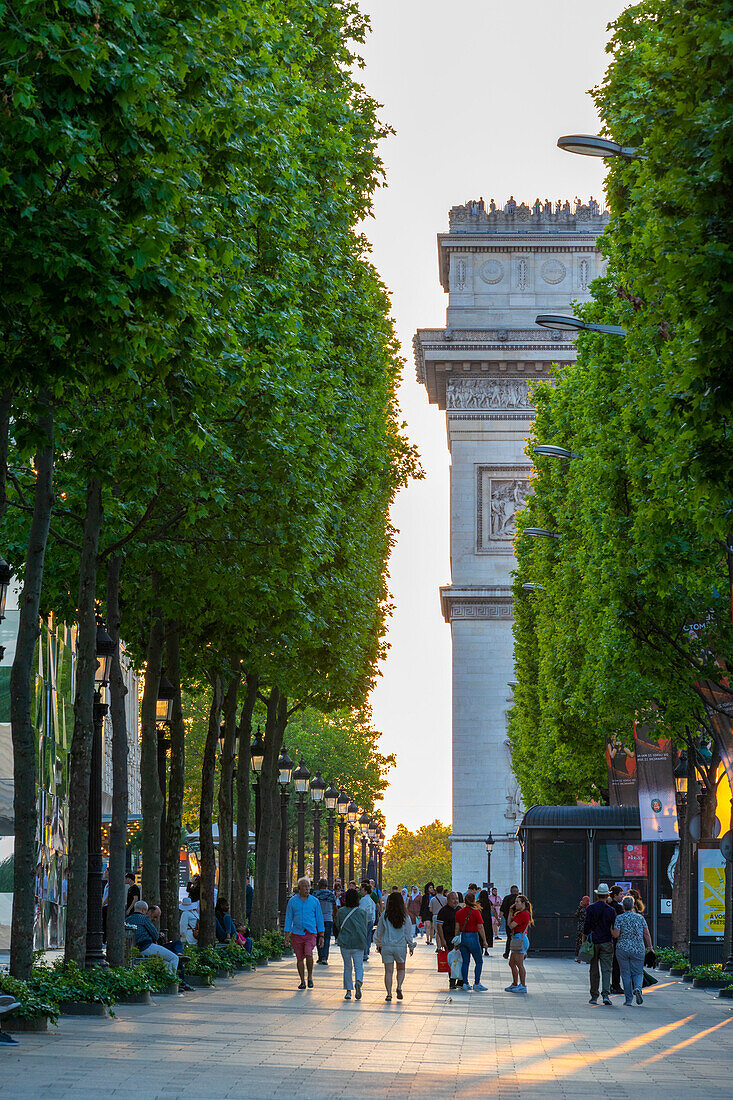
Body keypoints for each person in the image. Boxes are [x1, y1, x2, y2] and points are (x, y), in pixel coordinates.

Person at [283, 877, 324, 990]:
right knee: (299, 958)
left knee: (308, 954)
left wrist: (321, 935)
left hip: (310, 933)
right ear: (299, 888)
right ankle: (302, 981)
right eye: (304, 886)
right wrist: (286, 935)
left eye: (308, 886)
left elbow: (319, 919)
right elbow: (288, 919)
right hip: (297, 933)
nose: (307, 889)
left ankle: (310, 977)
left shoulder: (314, 901)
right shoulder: (292, 901)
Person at [612, 895, 652, 1005]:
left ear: (623, 906)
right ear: (633, 906)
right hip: (638, 948)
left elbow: (616, 934)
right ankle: (638, 988)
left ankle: (628, 1000)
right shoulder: (640, 918)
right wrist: (650, 948)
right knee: (638, 972)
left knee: (625, 974)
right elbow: (646, 933)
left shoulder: (619, 918)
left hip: (622, 949)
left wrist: (610, 930)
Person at [376, 890, 415, 1001]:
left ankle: (389, 994)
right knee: (401, 969)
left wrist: (378, 943)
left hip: (387, 946)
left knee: (388, 971)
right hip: (400, 946)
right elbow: (408, 934)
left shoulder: (385, 915)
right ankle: (399, 987)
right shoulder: (405, 916)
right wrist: (411, 946)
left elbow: (379, 931)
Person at [127, 901, 182, 978]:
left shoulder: (128, 919)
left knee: (166, 962)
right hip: (146, 946)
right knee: (174, 958)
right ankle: (171, 982)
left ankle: (166, 980)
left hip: (133, 949)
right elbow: (155, 935)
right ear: (143, 910)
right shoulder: (144, 918)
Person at [334, 887, 371, 1000]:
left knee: (347, 966)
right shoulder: (362, 912)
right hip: (358, 942)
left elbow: (338, 925)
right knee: (358, 966)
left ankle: (348, 991)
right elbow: (364, 927)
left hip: (345, 942)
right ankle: (359, 982)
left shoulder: (341, 911)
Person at [583, 883, 616, 1006]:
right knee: (606, 969)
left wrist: (585, 937)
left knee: (594, 970)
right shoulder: (611, 910)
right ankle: (606, 994)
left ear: (597, 895)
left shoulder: (590, 908)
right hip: (607, 942)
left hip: (594, 942)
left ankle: (594, 996)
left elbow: (586, 927)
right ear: (607, 895)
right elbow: (614, 927)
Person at [455, 891, 488, 991]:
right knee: (478, 961)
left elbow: (456, 928)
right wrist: (485, 941)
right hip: (473, 937)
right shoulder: (476, 912)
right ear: (474, 900)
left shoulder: (459, 912)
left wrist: (456, 940)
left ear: (464, 901)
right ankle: (477, 983)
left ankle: (465, 983)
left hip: (463, 937)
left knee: (465, 962)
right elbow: (481, 927)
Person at [505, 894, 533, 993]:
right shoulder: (518, 913)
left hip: (520, 939)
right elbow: (509, 924)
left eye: (517, 902)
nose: (515, 904)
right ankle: (515, 983)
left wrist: (511, 916)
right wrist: (510, 912)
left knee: (519, 964)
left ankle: (523, 985)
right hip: (517, 938)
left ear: (523, 903)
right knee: (512, 963)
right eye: (515, 902)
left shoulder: (523, 914)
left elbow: (512, 925)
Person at [435, 891, 462, 989]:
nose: (456, 901)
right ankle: (452, 981)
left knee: (460, 959)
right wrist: (442, 940)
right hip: (449, 939)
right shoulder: (443, 911)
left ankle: (461, 980)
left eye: (457, 899)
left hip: (459, 939)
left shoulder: (460, 909)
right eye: (453, 899)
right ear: (448, 900)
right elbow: (439, 926)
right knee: (452, 960)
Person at [313, 879, 337, 965]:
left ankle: (320, 956)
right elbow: (335, 907)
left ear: (319, 885)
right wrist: (334, 916)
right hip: (328, 919)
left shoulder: (315, 894)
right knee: (327, 938)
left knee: (318, 938)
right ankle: (325, 957)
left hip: (317, 920)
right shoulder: (331, 894)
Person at [608, 886, 625, 994]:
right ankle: (615, 984)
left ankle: (610, 985)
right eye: (621, 894)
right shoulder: (618, 908)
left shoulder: (607, 906)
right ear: (615, 895)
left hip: (606, 938)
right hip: (616, 937)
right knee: (616, 963)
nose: (622, 896)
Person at [359, 880, 377, 961]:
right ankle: (366, 952)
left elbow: (361, 911)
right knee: (368, 937)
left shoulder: (363, 900)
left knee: (364, 937)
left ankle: (364, 953)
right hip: (370, 921)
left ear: (365, 891)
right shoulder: (370, 900)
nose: (360, 891)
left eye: (361, 890)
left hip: (364, 921)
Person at [500, 885, 520, 957]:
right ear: (517, 891)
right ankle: (520, 952)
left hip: (508, 921)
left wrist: (499, 919)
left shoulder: (506, 898)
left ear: (510, 891)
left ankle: (507, 953)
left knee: (509, 937)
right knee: (519, 936)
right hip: (519, 921)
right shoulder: (520, 898)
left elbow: (501, 912)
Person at [477, 889, 494, 954]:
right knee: (487, 934)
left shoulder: (478, 902)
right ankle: (486, 950)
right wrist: (497, 918)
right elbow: (493, 910)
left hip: (480, 919)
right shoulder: (489, 902)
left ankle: (481, 948)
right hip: (488, 920)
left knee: (480, 934)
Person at [574, 896, 590, 961]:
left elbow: (576, 915)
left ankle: (579, 958)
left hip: (581, 927)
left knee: (580, 942)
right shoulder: (589, 908)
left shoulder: (581, 909)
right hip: (588, 927)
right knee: (587, 943)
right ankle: (587, 958)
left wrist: (580, 906)